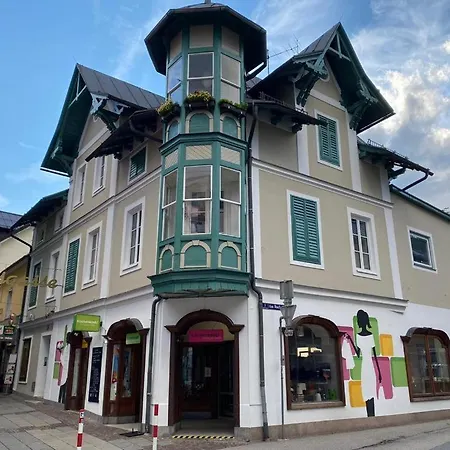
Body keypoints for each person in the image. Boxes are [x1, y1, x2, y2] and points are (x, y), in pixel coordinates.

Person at [344, 309, 382, 417]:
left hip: (368, 366)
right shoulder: (359, 336)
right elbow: (359, 353)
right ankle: (370, 415)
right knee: (366, 390)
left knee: (370, 390)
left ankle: (371, 414)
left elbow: (374, 356)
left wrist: (379, 372)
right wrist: (351, 340)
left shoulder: (369, 335)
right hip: (366, 366)